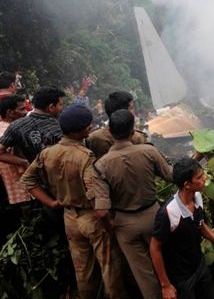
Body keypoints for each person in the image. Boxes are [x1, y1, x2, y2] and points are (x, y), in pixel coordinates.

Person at [20, 105, 124, 298]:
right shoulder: (84, 156)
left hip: (70, 218)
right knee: (110, 267)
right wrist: (107, 220)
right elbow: (93, 193)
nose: (91, 127)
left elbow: (27, 180)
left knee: (83, 269)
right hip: (91, 217)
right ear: (81, 131)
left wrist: (51, 203)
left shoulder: (47, 153)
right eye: (88, 125)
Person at [93, 109, 174, 299]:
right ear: (133, 131)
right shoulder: (149, 151)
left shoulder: (101, 165)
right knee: (167, 262)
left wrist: (111, 227)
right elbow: (171, 176)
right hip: (154, 217)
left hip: (125, 223)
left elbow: (102, 212)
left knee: (143, 274)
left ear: (110, 132)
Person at [150, 158, 214, 299]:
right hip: (181, 278)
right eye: (199, 177)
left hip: (199, 266)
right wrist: (165, 285)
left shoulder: (197, 197)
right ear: (187, 185)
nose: (204, 178)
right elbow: (155, 248)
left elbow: (200, 225)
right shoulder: (169, 213)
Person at [0, 86, 65, 165]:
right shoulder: (61, 126)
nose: (62, 108)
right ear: (51, 107)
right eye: (60, 104)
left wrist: (27, 163)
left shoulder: (16, 126)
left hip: (32, 175)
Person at [87, 91, 148, 159]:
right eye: (131, 108)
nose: (134, 112)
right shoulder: (138, 138)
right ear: (122, 113)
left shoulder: (92, 139)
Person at [0, 94, 30, 205]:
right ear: (10, 112)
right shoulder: (9, 131)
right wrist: (24, 162)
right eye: (22, 109)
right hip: (17, 188)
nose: (25, 112)